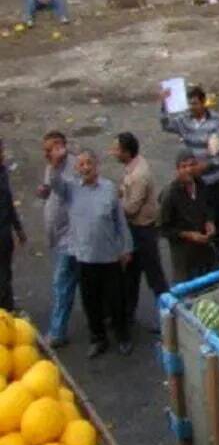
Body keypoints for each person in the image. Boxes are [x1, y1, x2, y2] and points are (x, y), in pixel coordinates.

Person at [45, 146, 132, 358]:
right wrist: (55, 164)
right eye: (81, 164)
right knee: (90, 302)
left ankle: (123, 337)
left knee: (115, 300)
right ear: (77, 168)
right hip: (84, 257)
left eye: (89, 163)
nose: (85, 168)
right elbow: (54, 183)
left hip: (109, 256)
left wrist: (126, 248)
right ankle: (98, 339)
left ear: (97, 166)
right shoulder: (71, 190)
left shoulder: (109, 188)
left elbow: (120, 221)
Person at [160, 85, 219, 261]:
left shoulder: (217, 121)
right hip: (198, 184)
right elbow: (165, 124)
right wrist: (163, 103)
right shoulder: (184, 121)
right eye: (189, 104)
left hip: (218, 180)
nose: (191, 107)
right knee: (201, 222)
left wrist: (207, 165)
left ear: (203, 103)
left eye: (195, 103)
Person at [111, 133, 166, 328]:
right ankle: (128, 315)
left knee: (155, 277)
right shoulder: (134, 167)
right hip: (136, 229)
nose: (113, 152)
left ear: (126, 152)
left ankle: (167, 320)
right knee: (130, 275)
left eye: (117, 149)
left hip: (142, 230)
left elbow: (131, 209)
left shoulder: (138, 175)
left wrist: (113, 206)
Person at [36, 131, 77, 347]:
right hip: (57, 235)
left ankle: (57, 332)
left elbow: (63, 189)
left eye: (50, 148)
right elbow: (51, 189)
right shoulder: (51, 165)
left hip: (70, 240)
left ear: (62, 146)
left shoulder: (72, 167)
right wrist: (44, 191)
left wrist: (53, 168)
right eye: (45, 149)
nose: (46, 153)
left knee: (62, 284)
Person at [159, 151, 217, 284]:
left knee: (208, 286)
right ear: (177, 170)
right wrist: (189, 235)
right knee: (187, 291)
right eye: (184, 166)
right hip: (184, 256)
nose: (189, 170)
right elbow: (163, 229)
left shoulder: (200, 184)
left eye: (192, 165)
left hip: (204, 250)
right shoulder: (170, 195)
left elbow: (209, 205)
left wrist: (210, 221)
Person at [0, 138, 26, 311]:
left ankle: (7, 310)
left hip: (4, 234)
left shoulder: (2, 171)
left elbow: (8, 201)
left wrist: (18, 228)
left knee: (5, 274)